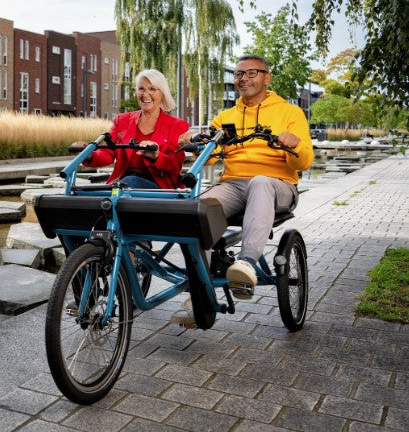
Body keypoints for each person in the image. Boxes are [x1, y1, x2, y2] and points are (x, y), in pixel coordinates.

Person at [171, 54, 314, 326]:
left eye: (251, 73)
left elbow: (304, 160)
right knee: (198, 210)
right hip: (234, 183)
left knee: (260, 182)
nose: (243, 79)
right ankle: (199, 296)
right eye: (239, 74)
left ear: (266, 77)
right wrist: (195, 140)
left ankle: (246, 264)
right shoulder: (227, 117)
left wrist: (292, 145)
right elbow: (210, 156)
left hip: (278, 183)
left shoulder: (289, 113)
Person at [72, 68, 189, 189]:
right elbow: (108, 153)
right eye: (141, 89)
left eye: (152, 89)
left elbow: (175, 165)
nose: (145, 94)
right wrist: (89, 155)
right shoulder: (122, 120)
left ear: (162, 94)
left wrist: (157, 156)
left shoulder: (177, 125)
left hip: (158, 186)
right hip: (123, 182)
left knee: (128, 182)